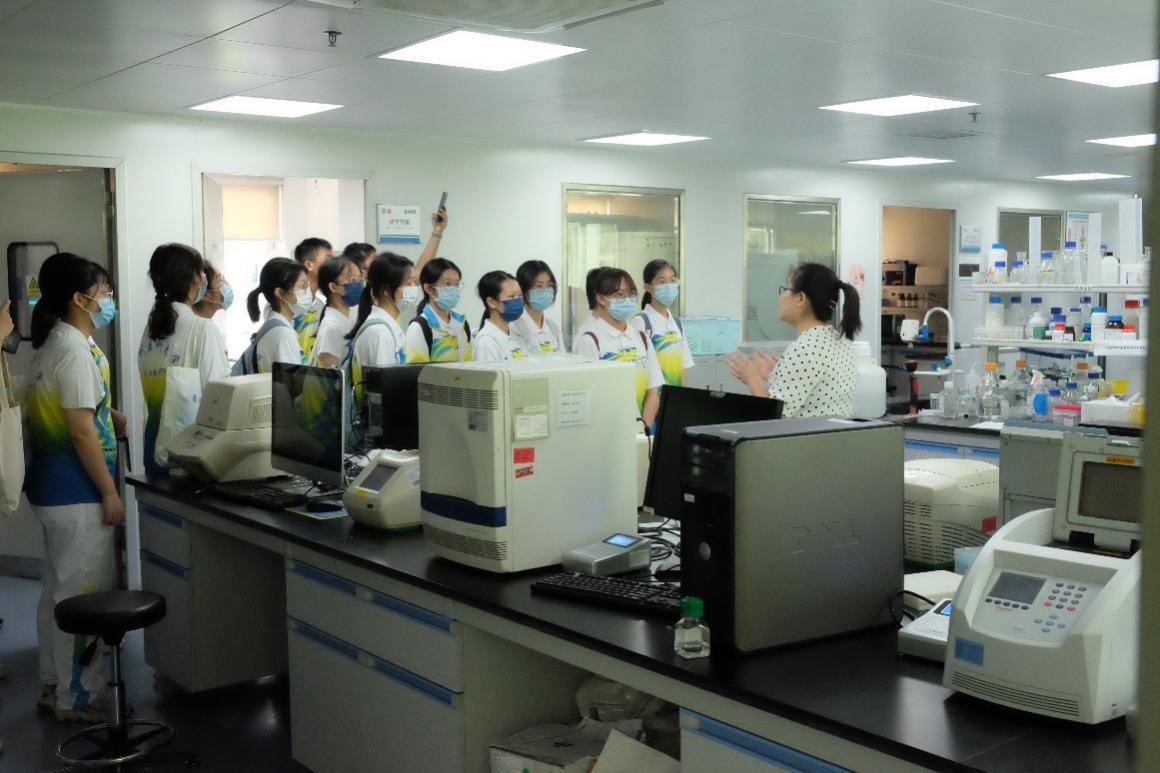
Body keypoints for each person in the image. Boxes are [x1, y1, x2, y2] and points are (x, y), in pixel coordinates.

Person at [24, 253, 126, 723]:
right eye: (104, 292)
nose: (109, 300)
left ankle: (53, 685)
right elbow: (81, 432)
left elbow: (80, 411)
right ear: (79, 299)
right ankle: (78, 697)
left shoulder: (57, 342)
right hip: (78, 492)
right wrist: (109, 492)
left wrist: (110, 414)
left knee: (57, 592)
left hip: (52, 490)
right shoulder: (74, 351)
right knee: (82, 596)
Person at [138, 244, 230, 476]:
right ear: (195, 278)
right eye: (201, 272)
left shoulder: (151, 330)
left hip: (153, 449)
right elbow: (218, 400)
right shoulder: (202, 329)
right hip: (187, 458)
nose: (204, 278)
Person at [726, 262, 860, 418]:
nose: (781, 296)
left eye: (785, 289)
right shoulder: (840, 341)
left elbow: (773, 418)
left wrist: (752, 378)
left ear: (801, 299)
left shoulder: (804, 349)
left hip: (807, 435)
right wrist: (777, 374)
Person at [572, 267, 663, 427]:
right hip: (606, 431)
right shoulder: (590, 340)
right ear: (601, 299)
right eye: (619, 295)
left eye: (631, 294)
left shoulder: (641, 338)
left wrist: (643, 430)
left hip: (643, 431)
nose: (627, 300)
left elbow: (653, 393)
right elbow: (587, 398)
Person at [346, 252, 418, 370]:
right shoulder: (381, 334)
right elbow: (385, 379)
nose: (414, 288)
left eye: (415, 283)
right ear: (387, 290)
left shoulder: (387, 327)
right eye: (408, 283)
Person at [633, 259, 693, 390]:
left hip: (674, 397)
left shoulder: (676, 322)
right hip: (654, 396)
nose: (669, 286)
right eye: (662, 282)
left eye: (672, 280)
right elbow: (639, 369)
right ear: (648, 287)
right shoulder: (641, 322)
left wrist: (682, 396)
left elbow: (683, 368)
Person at [243, 258, 307, 373]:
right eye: (303, 286)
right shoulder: (283, 334)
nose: (308, 292)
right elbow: (290, 382)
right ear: (280, 293)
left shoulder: (274, 326)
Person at [404, 257, 472, 363]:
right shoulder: (419, 328)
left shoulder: (462, 324)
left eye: (457, 284)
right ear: (429, 289)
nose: (454, 289)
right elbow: (417, 370)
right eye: (448, 284)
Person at [309, 255, 363, 368]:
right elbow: (332, 376)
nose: (358, 285)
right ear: (333, 287)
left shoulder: (352, 313)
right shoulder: (331, 329)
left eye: (359, 279)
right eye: (352, 280)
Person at [471, 270, 528, 362]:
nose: (518, 301)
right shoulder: (486, 342)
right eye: (511, 296)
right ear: (491, 302)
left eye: (520, 295)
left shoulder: (517, 334)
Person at [291, 237, 333, 361]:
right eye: (328, 259)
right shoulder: (288, 303)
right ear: (309, 265)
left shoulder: (320, 306)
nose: (333, 265)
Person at [510, 260, 564, 354]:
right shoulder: (514, 327)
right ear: (523, 290)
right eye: (539, 286)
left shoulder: (553, 327)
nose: (545, 290)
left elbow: (563, 358)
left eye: (549, 285)